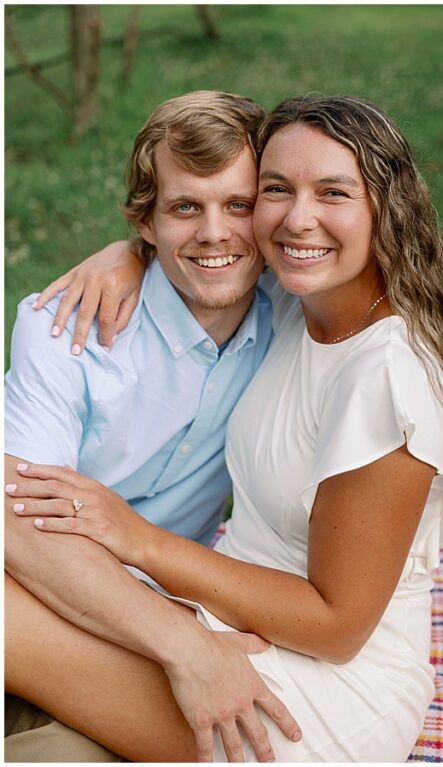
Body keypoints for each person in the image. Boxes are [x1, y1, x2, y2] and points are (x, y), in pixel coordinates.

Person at [5, 95, 443, 762]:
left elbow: (338, 626)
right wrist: (129, 256)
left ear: (387, 207)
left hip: (320, 684)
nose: (298, 219)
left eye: (333, 193)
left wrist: (140, 542)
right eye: (277, 192)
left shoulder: (372, 365)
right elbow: (18, 521)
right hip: (211, 616)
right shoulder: (294, 303)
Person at [5, 90, 302, 761]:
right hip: (32, 599)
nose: (215, 232)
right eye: (184, 208)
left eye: (239, 205)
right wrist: (186, 644)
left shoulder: (289, 315)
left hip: (123, 644)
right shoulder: (63, 331)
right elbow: (17, 523)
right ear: (145, 219)